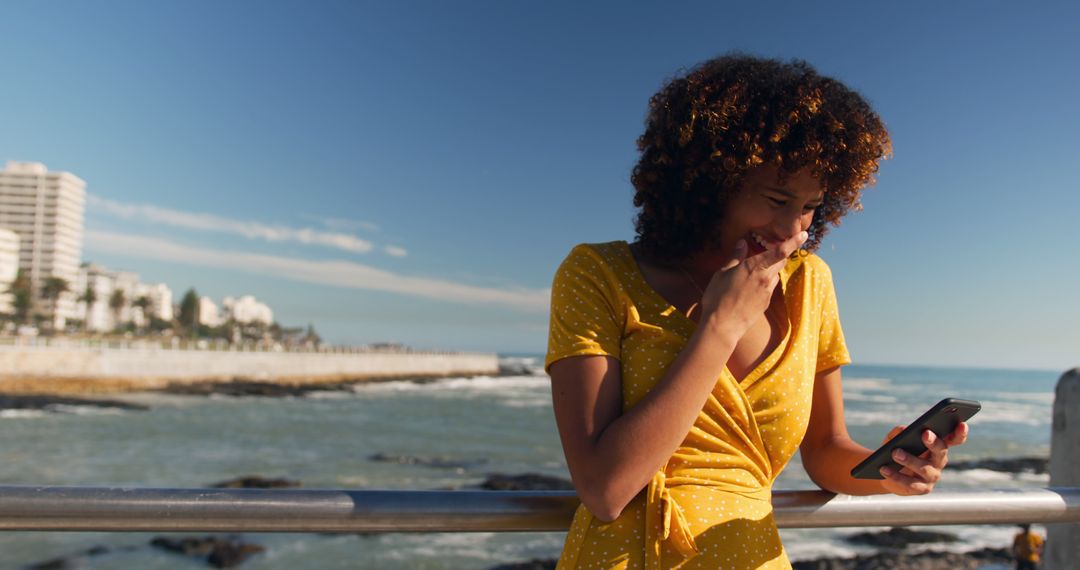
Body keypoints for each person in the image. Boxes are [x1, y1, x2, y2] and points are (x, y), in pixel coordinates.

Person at [545, 54, 971, 569]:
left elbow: (825, 451)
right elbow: (604, 488)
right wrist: (721, 324)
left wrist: (893, 471)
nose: (795, 230)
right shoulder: (597, 273)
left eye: (812, 205)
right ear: (709, 181)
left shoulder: (808, 284)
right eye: (777, 198)